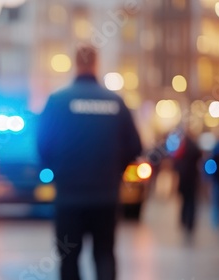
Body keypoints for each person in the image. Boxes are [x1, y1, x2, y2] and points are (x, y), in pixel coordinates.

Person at [37, 45, 142, 280]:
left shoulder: (58, 101)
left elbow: (42, 145)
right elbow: (135, 147)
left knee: (69, 258)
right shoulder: (115, 102)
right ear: (96, 63)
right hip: (106, 197)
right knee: (104, 255)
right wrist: (115, 172)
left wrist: (57, 171)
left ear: (76, 63)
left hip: (69, 198)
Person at [171, 132, 202, 234]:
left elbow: (175, 162)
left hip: (184, 178)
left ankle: (184, 219)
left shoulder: (182, 149)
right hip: (192, 178)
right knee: (191, 201)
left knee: (185, 200)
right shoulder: (194, 148)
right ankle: (190, 221)